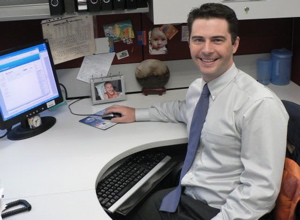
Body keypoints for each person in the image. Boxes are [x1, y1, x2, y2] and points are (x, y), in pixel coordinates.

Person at [105, 3, 288, 220]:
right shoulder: (198, 89)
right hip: (189, 195)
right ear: (189, 43)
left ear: (235, 44)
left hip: (222, 210)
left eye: (217, 40)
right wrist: (137, 113)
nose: (206, 49)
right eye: (198, 39)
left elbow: (260, 193)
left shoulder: (258, 105)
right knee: (130, 210)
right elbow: (182, 110)